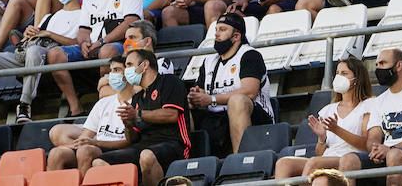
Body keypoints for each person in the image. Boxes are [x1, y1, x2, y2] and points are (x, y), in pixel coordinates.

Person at [338, 49, 402, 186]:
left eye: (383, 63)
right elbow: (373, 135)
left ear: (399, 66)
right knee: (347, 160)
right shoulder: (379, 101)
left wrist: (390, 149)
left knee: (394, 155)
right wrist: (375, 149)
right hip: (389, 156)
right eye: (377, 64)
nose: (378, 68)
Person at [95, 48, 191, 186]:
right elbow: (133, 139)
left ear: (144, 65)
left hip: (174, 144)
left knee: (146, 155)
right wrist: (128, 124)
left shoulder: (170, 82)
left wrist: (138, 114)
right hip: (142, 147)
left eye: (129, 65)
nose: (126, 70)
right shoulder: (137, 98)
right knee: (99, 162)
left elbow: (171, 115)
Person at [187, 13, 274, 157]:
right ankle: (193, 166)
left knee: (237, 100)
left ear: (236, 36)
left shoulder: (249, 55)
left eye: (222, 30)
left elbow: (250, 92)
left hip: (255, 115)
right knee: (182, 109)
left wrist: (212, 99)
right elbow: (202, 93)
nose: (216, 34)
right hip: (217, 118)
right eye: (216, 30)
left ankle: (240, 162)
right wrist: (194, 97)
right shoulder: (209, 61)